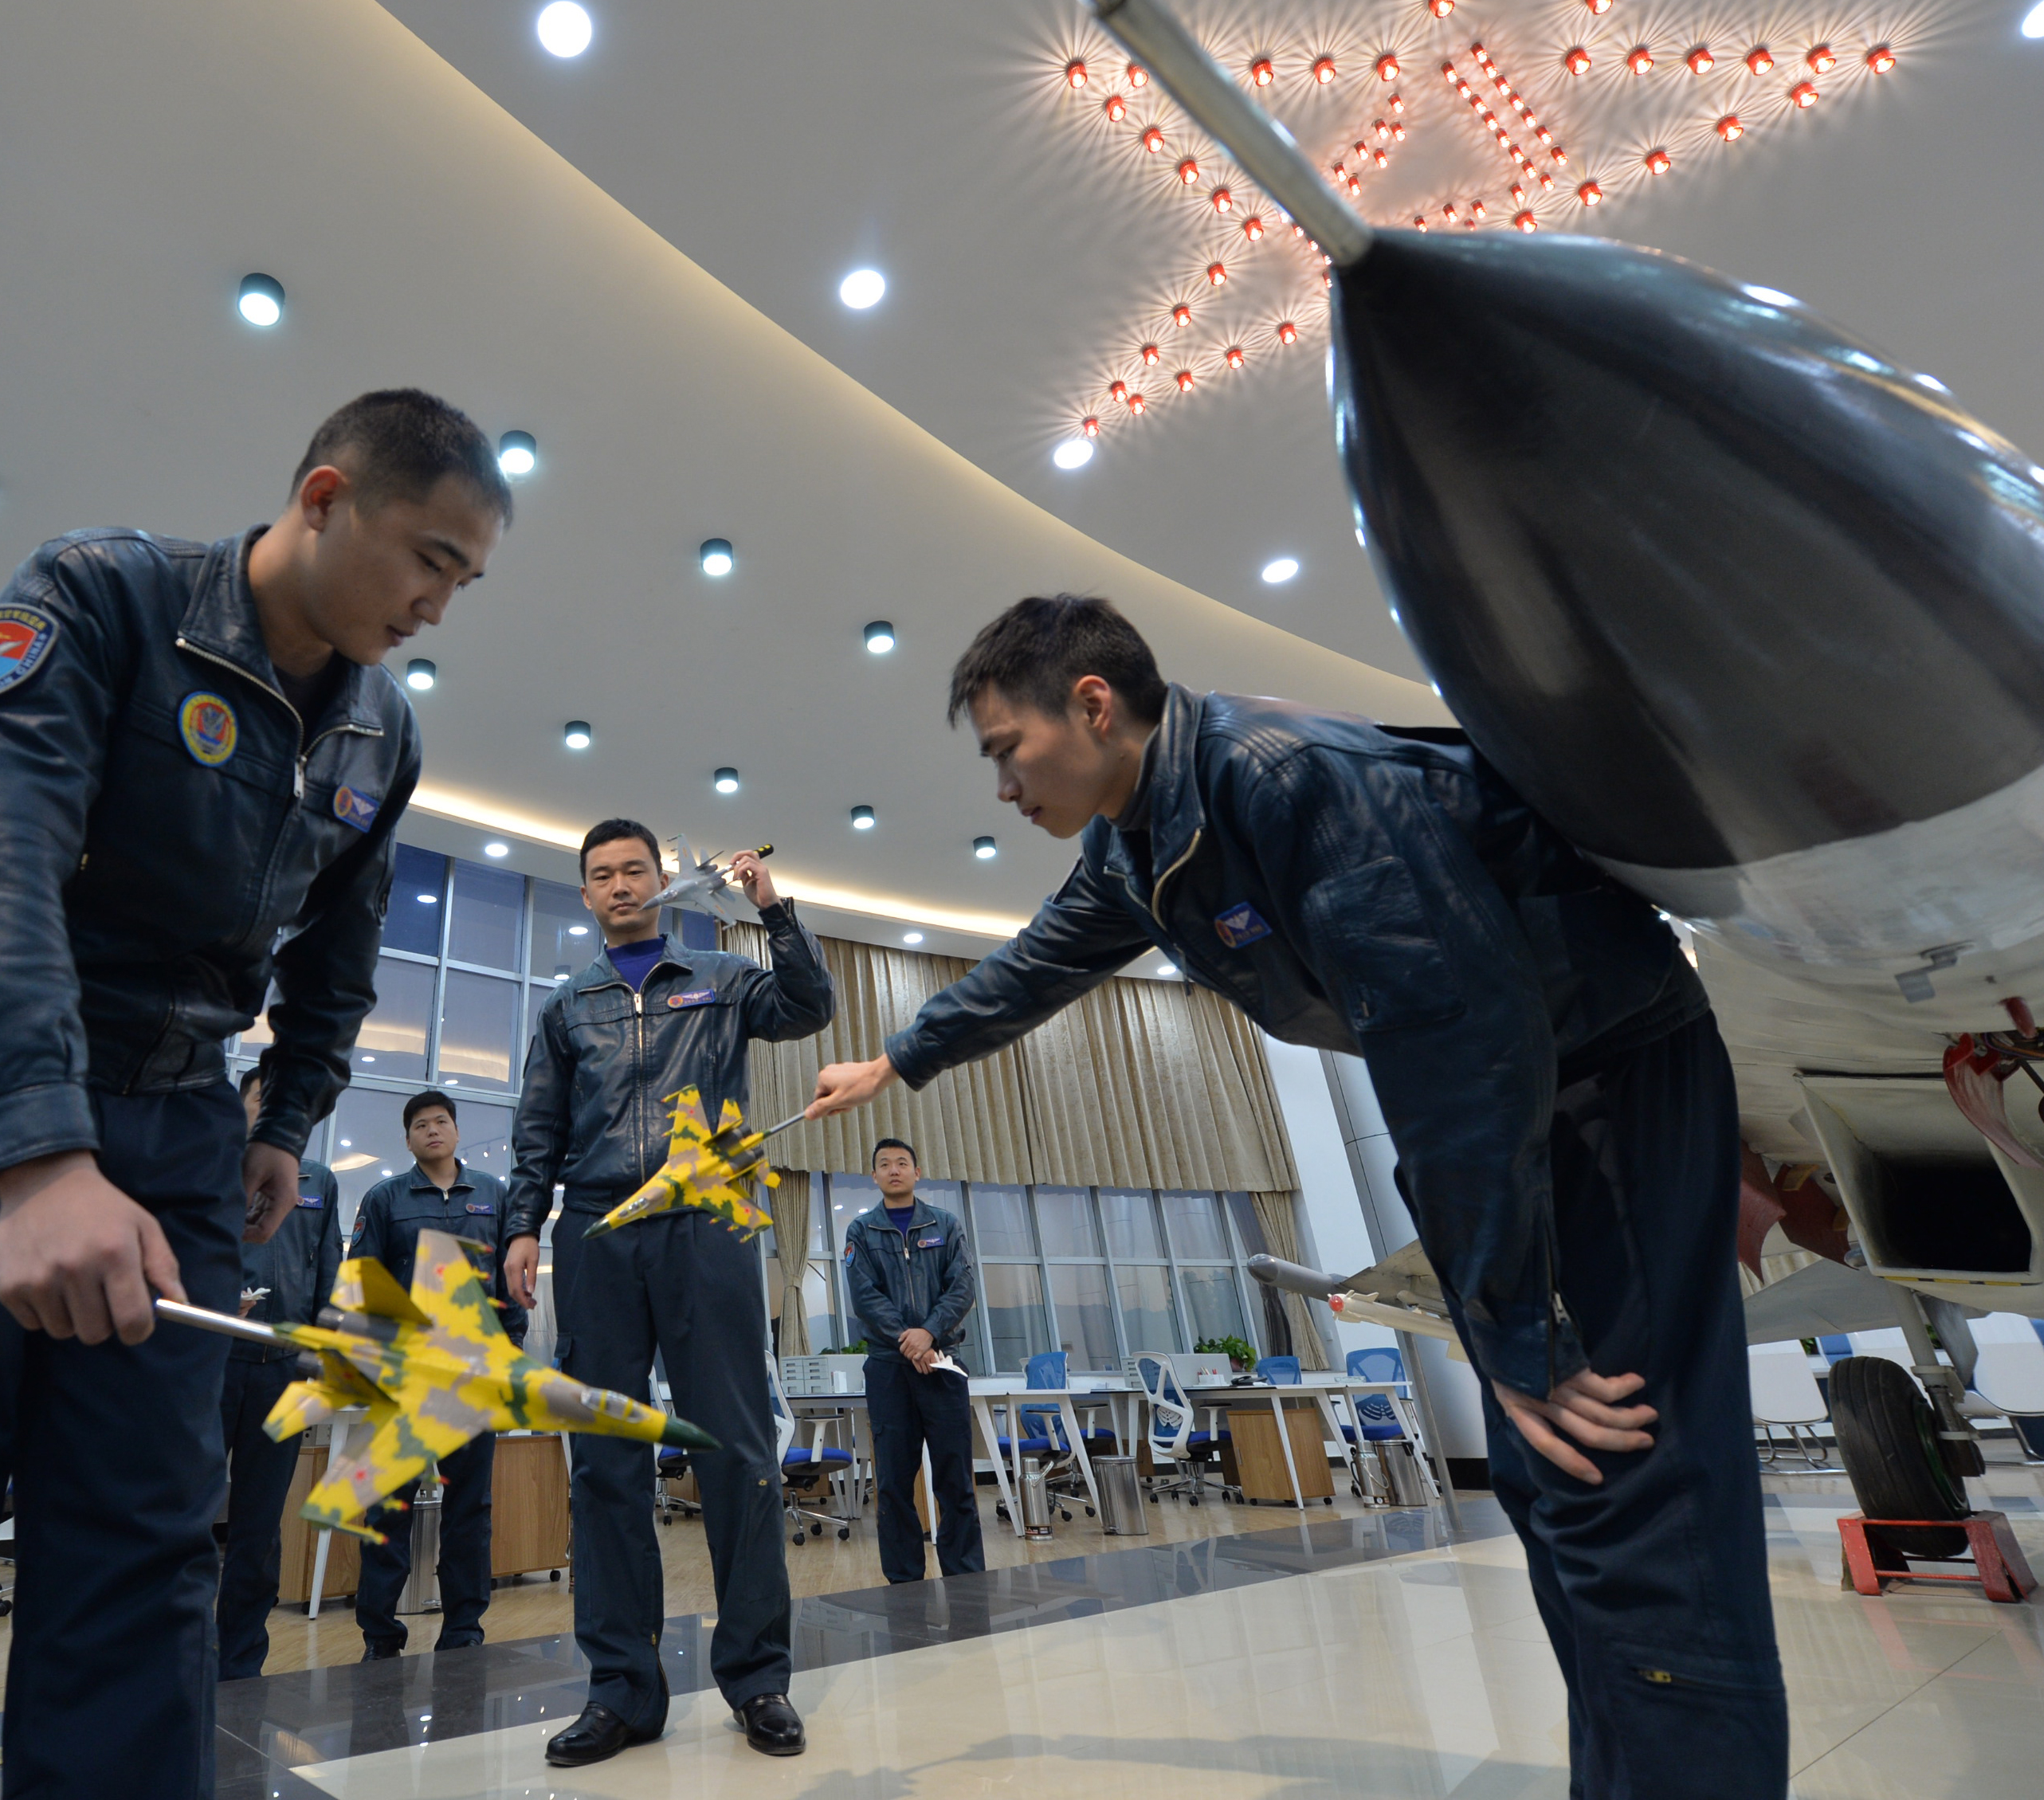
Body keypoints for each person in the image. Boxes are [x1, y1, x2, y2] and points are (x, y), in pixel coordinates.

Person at [809, 594, 1779, 1797]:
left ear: (1094, 704)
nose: (1001, 786)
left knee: (1626, 1476)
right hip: (1511, 1093)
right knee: (1549, 1483)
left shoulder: (1286, 778)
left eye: (1007, 749)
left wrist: (1516, 1336)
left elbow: (1460, 1047)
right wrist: (898, 1058)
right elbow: (1034, 965)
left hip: (1599, 1073)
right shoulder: (1134, 843)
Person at [0, 390, 512, 1800]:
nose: (436, 606)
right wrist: (38, 1157)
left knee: (149, 1540)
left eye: (463, 581)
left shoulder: (377, 736)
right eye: (429, 559)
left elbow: (337, 960)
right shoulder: (103, 593)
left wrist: (280, 1122)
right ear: (327, 495)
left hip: (177, 1124)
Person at [499, 819, 833, 1766]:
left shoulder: (722, 983)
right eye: (600, 875)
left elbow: (809, 1004)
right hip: (598, 1228)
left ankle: (756, 1678)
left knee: (733, 1448)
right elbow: (538, 1126)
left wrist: (773, 911)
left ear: (657, 881)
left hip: (708, 1221)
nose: (619, 886)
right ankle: (622, 1693)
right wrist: (524, 1223)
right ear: (585, 895)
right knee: (605, 1461)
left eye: (634, 870)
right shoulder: (566, 1006)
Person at [345, 1089, 524, 1659]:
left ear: (455, 1129)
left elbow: (509, 1290)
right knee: (386, 1507)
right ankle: (380, 1632)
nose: (431, 1130)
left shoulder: (494, 1196)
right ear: (408, 1138)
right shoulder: (384, 1198)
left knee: (469, 1512)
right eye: (420, 1124)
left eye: (440, 1121)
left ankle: (463, 1631)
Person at [214, 1066, 343, 1683]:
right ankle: (172, 1653)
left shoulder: (318, 1181)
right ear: (240, 1106)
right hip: (211, 1364)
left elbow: (328, 1277)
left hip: (281, 1374)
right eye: (261, 1098)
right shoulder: (210, 1166)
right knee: (182, 1515)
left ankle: (239, 1663)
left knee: (259, 1527)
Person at [841, 1138, 983, 1584]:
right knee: (894, 1484)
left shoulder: (946, 1224)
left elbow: (961, 1287)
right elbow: (865, 1297)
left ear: (917, 1173)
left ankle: (966, 1577)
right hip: (888, 1370)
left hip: (942, 1365)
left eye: (902, 1162)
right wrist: (909, 1341)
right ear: (875, 1176)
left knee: (955, 1477)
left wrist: (929, 1335)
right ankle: (903, 1582)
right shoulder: (861, 1233)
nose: (894, 1169)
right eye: (884, 1164)